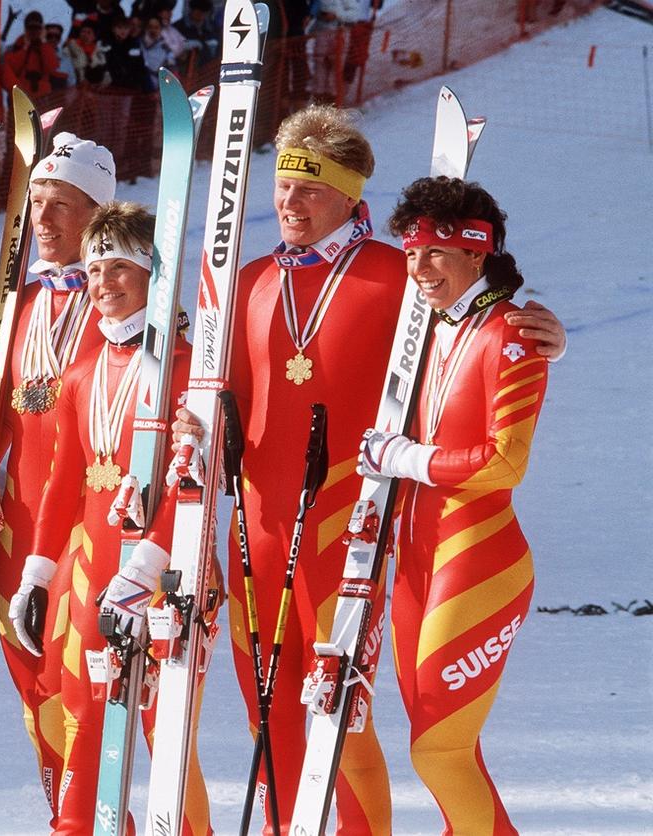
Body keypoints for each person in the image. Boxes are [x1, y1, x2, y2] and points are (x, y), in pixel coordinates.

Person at [165, 104, 566, 833]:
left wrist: (548, 336)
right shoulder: (250, 279)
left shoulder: (400, 278)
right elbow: (232, 404)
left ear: (351, 195)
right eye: (284, 186)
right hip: (256, 523)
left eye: (310, 188)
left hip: (348, 526)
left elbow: (474, 327)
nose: (290, 201)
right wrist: (200, 432)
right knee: (269, 704)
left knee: (339, 709)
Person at [7, 201, 213, 836]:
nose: (103, 283)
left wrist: (145, 568)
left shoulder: (186, 369)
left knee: (162, 734)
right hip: (90, 576)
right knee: (82, 722)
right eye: (95, 269)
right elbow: (61, 483)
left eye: (121, 267)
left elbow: (194, 487)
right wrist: (37, 576)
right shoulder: (81, 371)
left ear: (155, 272)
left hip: (165, 582)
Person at [361, 176, 546, 834]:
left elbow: (505, 463)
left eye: (435, 253)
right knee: (441, 746)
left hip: (480, 559)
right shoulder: (424, 333)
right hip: (415, 556)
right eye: (411, 254)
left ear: (478, 251)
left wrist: (406, 458)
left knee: (437, 750)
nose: (419, 269)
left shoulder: (513, 333)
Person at [0, 132, 115, 828]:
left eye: (61, 205)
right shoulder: (20, 303)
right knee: (36, 698)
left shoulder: (120, 302)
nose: (43, 219)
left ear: (97, 214)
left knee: (81, 703)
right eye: (37, 202)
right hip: (18, 530)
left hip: (83, 532)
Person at [1, 11, 63, 99]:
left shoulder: (47, 48)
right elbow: (11, 70)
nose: (34, 31)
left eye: (37, 28)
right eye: (31, 28)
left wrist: (43, 43)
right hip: (21, 99)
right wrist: (25, 47)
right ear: (25, 29)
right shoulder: (16, 47)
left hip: (42, 99)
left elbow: (52, 68)